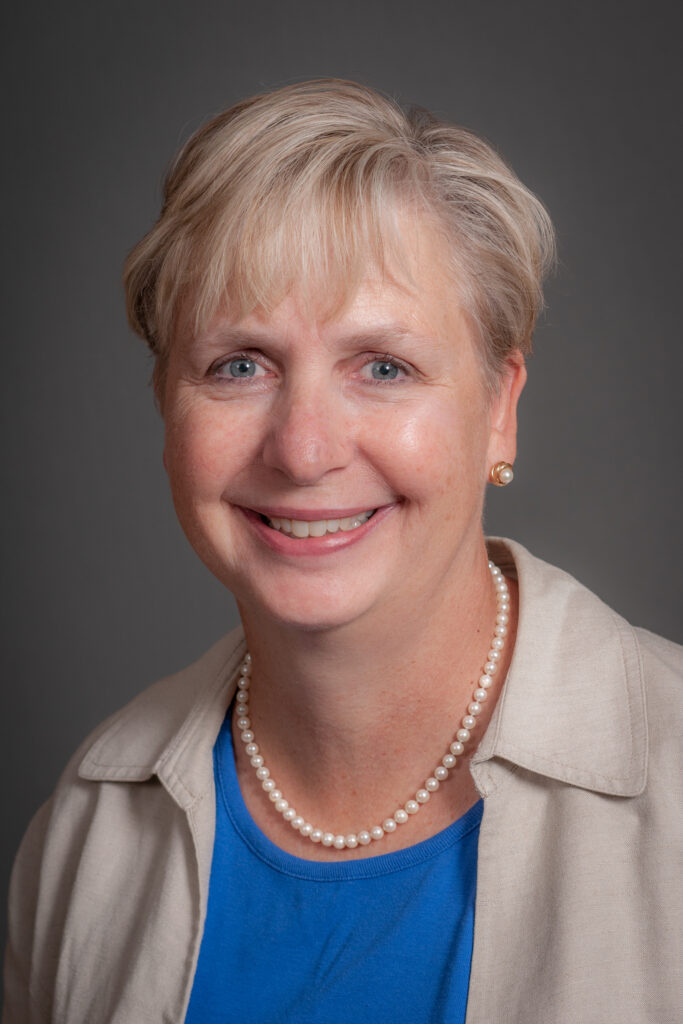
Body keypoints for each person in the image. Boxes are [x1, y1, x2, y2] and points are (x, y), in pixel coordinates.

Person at [2, 79, 681, 1024]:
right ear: (167, 403)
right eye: (239, 365)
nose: (304, 448)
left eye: (383, 366)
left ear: (498, 408)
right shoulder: (90, 824)